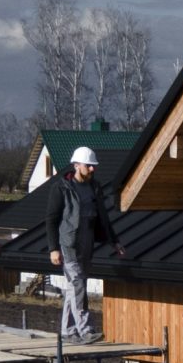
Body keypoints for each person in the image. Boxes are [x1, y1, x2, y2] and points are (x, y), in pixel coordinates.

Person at [44, 146, 128, 342]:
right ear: (76, 166)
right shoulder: (61, 187)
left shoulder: (94, 187)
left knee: (75, 287)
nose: (92, 169)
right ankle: (86, 329)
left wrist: (114, 241)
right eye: (88, 166)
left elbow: (104, 218)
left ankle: (67, 330)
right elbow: (51, 219)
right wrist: (53, 248)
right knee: (78, 284)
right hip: (69, 245)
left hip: (87, 242)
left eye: (93, 166)